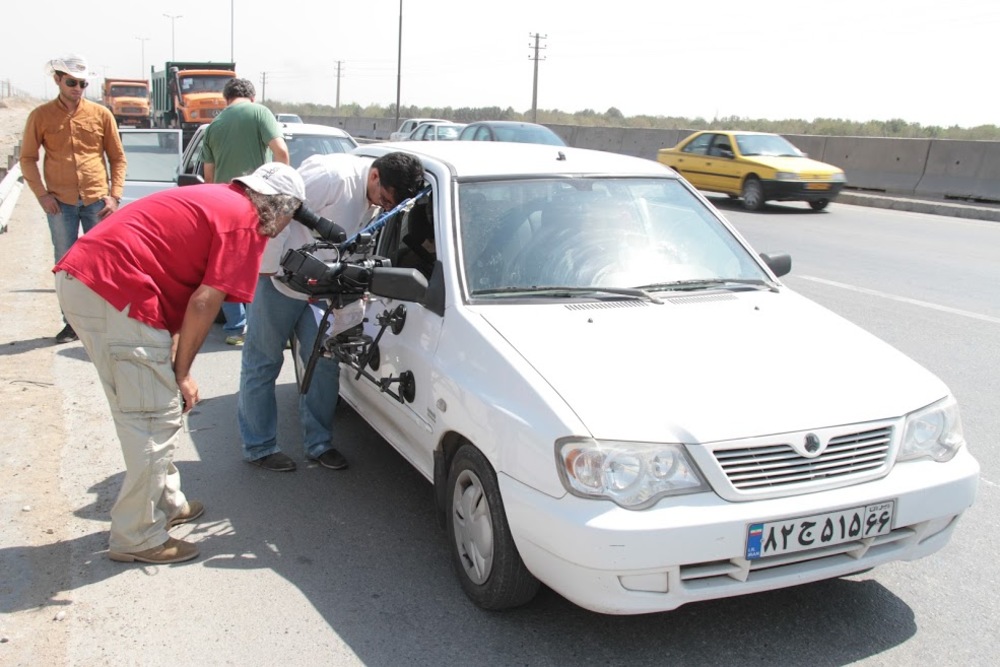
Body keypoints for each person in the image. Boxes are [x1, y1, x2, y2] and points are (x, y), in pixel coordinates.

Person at [53, 162, 306, 564]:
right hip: (113, 292)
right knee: (154, 417)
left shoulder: (219, 200)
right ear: (278, 206)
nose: (283, 228)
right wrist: (183, 372)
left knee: (149, 402)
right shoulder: (243, 223)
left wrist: (174, 355)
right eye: (290, 216)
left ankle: (166, 502)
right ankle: (137, 536)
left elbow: (175, 276)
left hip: (92, 283)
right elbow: (206, 301)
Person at [237, 152, 424, 472]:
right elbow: (276, 207)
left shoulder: (375, 197)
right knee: (262, 363)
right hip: (278, 284)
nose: (385, 206)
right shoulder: (332, 177)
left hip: (323, 291)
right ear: (376, 176)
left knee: (325, 364)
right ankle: (260, 446)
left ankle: (319, 444)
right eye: (386, 198)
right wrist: (268, 266)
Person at [20, 54, 127, 345]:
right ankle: (72, 324)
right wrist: (41, 196)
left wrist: (114, 195)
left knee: (103, 262)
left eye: (82, 83)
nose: (77, 88)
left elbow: (117, 158)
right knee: (66, 264)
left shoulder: (101, 114)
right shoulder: (40, 116)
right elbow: (27, 159)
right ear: (57, 80)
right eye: (71, 82)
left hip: (97, 201)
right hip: (59, 202)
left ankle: (105, 322)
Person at [201, 77, 290, 346]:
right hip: (256, 200)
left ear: (226, 99)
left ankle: (236, 328)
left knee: (226, 266)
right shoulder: (260, 112)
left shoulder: (213, 126)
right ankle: (261, 328)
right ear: (252, 97)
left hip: (224, 204)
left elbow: (209, 178)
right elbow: (281, 152)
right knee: (260, 266)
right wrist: (280, 190)